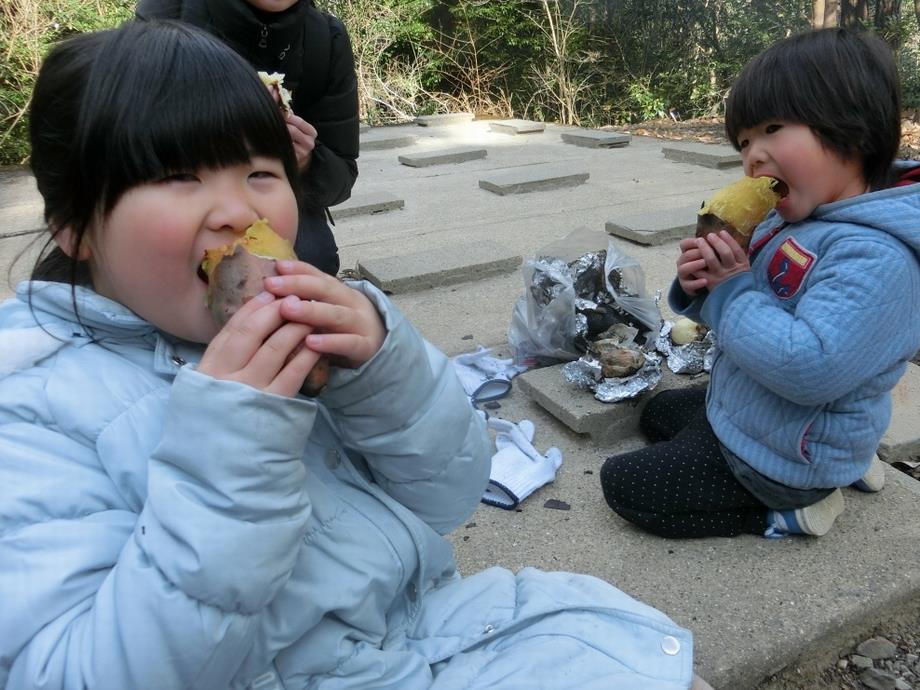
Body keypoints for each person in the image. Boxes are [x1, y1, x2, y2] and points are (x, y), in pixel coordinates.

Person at [0, 21, 699, 689]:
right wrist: (228, 457)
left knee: (653, 659)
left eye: (259, 173)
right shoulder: (31, 413)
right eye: (181, 176)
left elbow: (448, 496)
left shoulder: (320, 328)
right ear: (73, 224)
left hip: (419, 631)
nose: (236, 213)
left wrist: (384, 371)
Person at [601, 28, 920, 540]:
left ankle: (797, 506)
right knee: (658, 411)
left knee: (626, 486)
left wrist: (732, 290)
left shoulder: (877, 259)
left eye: (773, 128)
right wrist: (704, 285)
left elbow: (810, 368)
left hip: (792, 451)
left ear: (853, 132)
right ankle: (849, 461)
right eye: (745, 142)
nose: (752, 156)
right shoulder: (794, 217)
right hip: (770, 407)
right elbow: (757, 301)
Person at [136, 0, 360, 277]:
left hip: (275, 193)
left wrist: (306, 160)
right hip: (183, 185)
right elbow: (129, 153)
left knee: (312, 258)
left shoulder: (324, 37)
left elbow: (341, 176)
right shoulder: (163, 19)